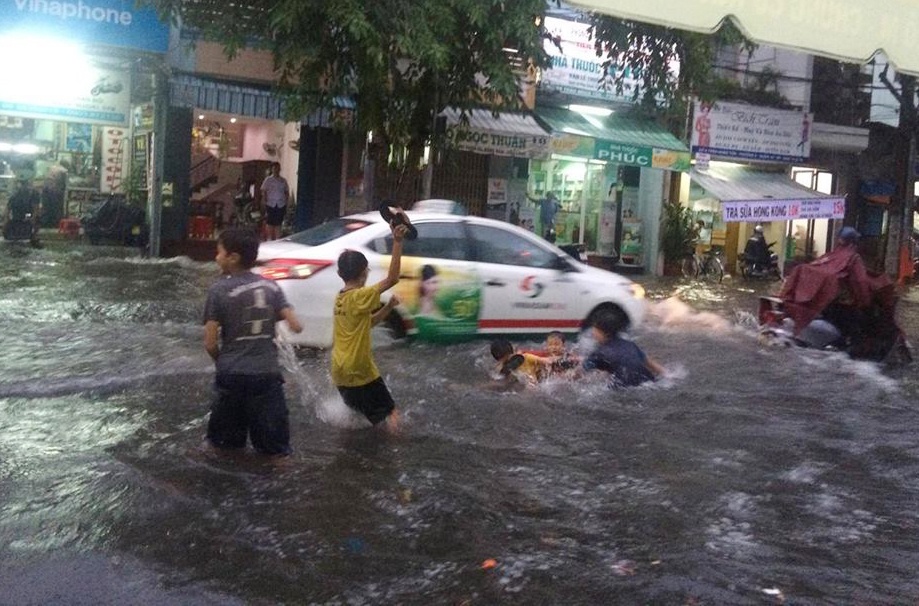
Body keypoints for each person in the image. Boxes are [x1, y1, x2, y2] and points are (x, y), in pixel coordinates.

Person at [203, 227, 304, 456]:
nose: (216, 257)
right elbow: (296, 325)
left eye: (219, 252)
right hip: (267, 377)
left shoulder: (218, 290)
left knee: (222, 449)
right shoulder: (272, 287)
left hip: (231, 376)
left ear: (233, 257)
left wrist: (224, 362)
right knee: (276, 452)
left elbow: (209, 343)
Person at [331, 214, 410, 430]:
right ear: (364, 272)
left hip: (339, 371)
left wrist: (388, 307)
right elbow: (393, 278)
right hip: (360, 369)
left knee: (365, 420)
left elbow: (367, 324)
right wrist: (397, 242)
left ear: (340, 273)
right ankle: (393, 457)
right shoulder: (360, 295)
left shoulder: (340, 298)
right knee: (391, 413)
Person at [581, 310, 663, 388]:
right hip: (649, 382)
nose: (592, 332)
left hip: (624, 389)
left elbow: (578, 373)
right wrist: (667, 375)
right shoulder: (630, 344)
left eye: (594, 329)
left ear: (603, 332)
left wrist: (569, 376)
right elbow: (650, 364)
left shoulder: (599, 353)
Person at [5, 178, 41, 246]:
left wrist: (6, 221)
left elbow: (7, 210)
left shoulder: (15, 194)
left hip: (20, 219)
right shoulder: (16, 195)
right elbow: (36, 209)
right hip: (22, 219)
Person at [260, 162, 290, 241]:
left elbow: (286, 192)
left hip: (280, 204)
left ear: (280, 169)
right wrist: (264, 201)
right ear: (272, 169)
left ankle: (278, 239)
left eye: (277, 168)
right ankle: (269, 239)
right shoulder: (268, 180)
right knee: (270, 223)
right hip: (270, 204)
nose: (276, 170)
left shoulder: (283, 180)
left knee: (278, 223)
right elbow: (264, 191)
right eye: (274, 168)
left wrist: (286, 203)